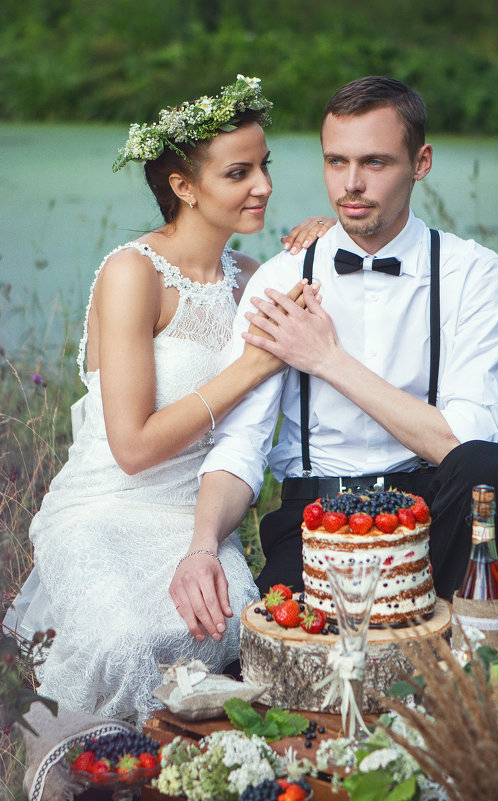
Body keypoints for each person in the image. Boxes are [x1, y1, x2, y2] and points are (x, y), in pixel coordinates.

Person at [3, 75, 333, 726]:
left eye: (264, 166)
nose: (262, 185)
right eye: (238, 172)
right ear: (183, 186)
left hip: (198, 519)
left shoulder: (253, 278)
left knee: (233, 635)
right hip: (107, 509)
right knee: (124, 642)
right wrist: (250, 367)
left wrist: (328, 244)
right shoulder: (134, 273)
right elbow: (132, 447)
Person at [177, 75, 498, 643]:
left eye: (376, 162)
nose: (352, 184)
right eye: (336, 162)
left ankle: (445, 648)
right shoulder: (283, 278)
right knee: (276, 662)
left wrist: (327, 359)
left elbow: (468, 444)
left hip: (434, 518)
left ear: (421, 162)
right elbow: (242, 443)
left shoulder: (474, 275)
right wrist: (200, 547)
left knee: (489, 469)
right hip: (315, 523)